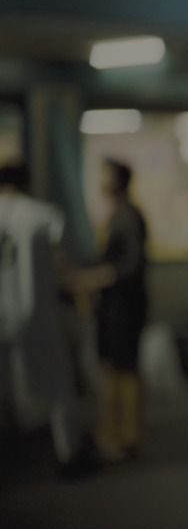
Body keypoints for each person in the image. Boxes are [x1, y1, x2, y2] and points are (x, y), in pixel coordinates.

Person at [0, 163, 96, 477]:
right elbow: (70, 258)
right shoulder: (41, 214)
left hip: (4, 314)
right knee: (60, 390)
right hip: (36, 314)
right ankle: (68, 455)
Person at [75, 158, 148, 462]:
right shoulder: (118, 215)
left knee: (123, 366)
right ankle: (115, 431)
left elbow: (130, 265)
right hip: (115, 304)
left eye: (105, 176)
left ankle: (124, 435)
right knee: (114, 365)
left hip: (125, 305)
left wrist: (95, 278)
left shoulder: (128, 217)